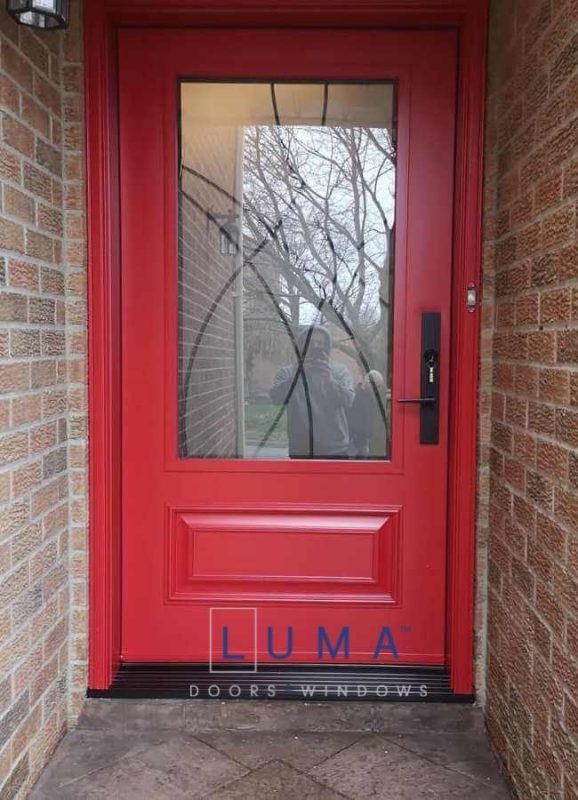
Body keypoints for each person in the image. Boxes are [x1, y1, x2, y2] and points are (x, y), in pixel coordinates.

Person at [269, 326, 355, 458]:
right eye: (310, 343)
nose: (315, 347)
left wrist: (329, 380)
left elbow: (348, 401)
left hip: (335, 448)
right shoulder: (288, 372)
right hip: (301, 449)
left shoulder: (339, 371)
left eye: (320, 344)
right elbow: (275, 398)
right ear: (302, 346)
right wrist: (297, 376)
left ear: (326, 347)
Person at [347, 370, 385, 458]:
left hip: (364, 441)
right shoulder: (354, 395)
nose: (379, 390)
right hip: (353, 441)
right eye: (378, 386)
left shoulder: (371, 398)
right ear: (369, 383)